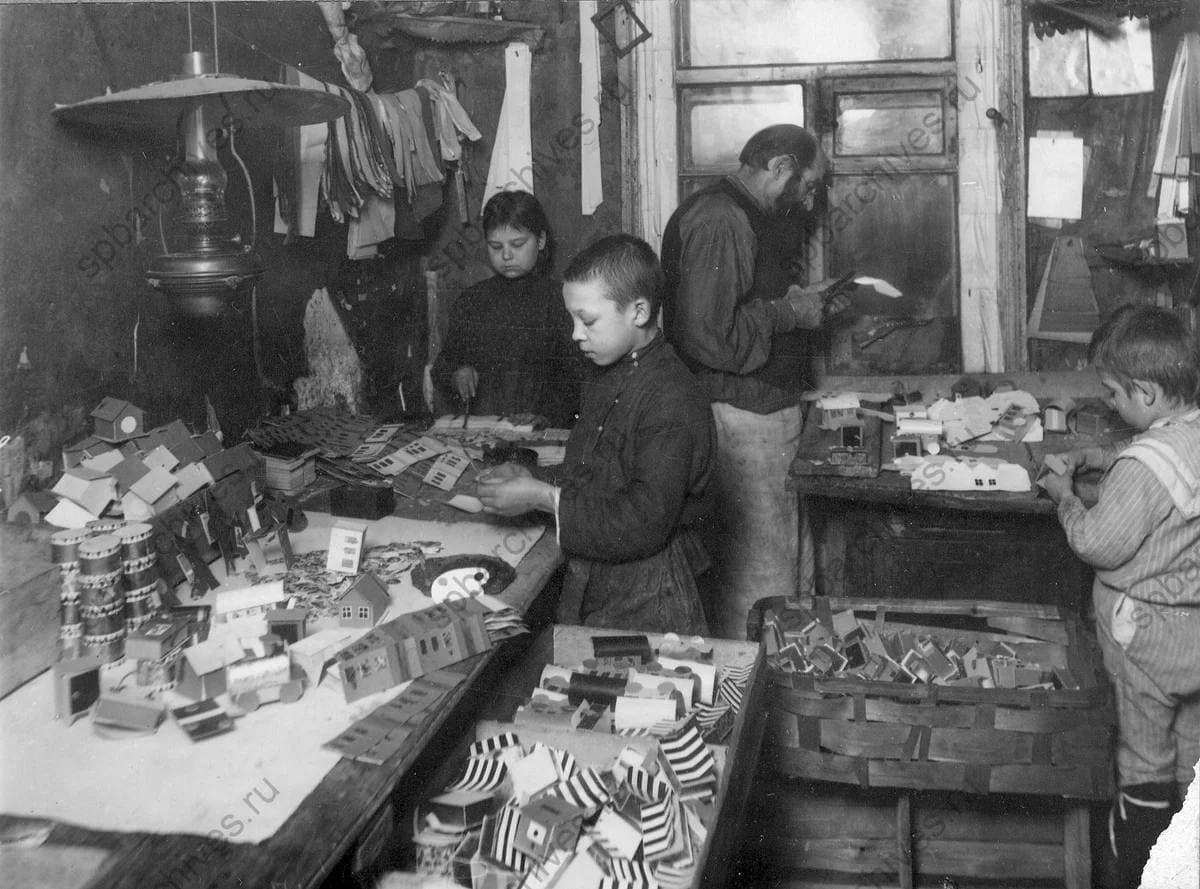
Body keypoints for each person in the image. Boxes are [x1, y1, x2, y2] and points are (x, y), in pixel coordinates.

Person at [660, 123, 847, 639]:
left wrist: (804, 300)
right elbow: (709, 337)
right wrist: (791, 312)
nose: (809, 201)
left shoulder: (743, 214)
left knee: (782, 568)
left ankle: (785, 675)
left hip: (761, 416)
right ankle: (755, 682)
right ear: (781, 167)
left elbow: (741, 307)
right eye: (809, 185)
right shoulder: (720, 218)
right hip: (739, 421)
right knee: (757, 579)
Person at [475, 234, 714, 635]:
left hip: (654, 589)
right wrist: (533, 479)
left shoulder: (672, 397)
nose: (575, 334)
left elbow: (643, 522)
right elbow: (597, 474)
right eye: (572, 320)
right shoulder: (608, 372)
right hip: (601, 574)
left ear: (639, 312)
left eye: (587, 321)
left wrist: (541, 496)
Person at [1040, 305, 1200, 889]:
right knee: (1191, 756)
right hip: (1192, 639)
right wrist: (1105, 458)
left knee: (1143, 760)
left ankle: (1135, 870)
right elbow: (1168, 460)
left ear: (1147, 393)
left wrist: (1065, 496)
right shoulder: (1191, 434)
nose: (1108, 402)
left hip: (1143, 643)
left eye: (1113, 392)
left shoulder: (1141, 469)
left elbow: (1099, 544)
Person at [432, 190, 580, 427]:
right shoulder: (472, 301)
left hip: (543, 427)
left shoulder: (562, 300)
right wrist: (457, 372)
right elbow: (444, 363)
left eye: (517, 244)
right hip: (485, 425)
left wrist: (547, 416)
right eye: (495, 246)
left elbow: (578, 378)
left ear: (541, 241)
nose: (507, 255)